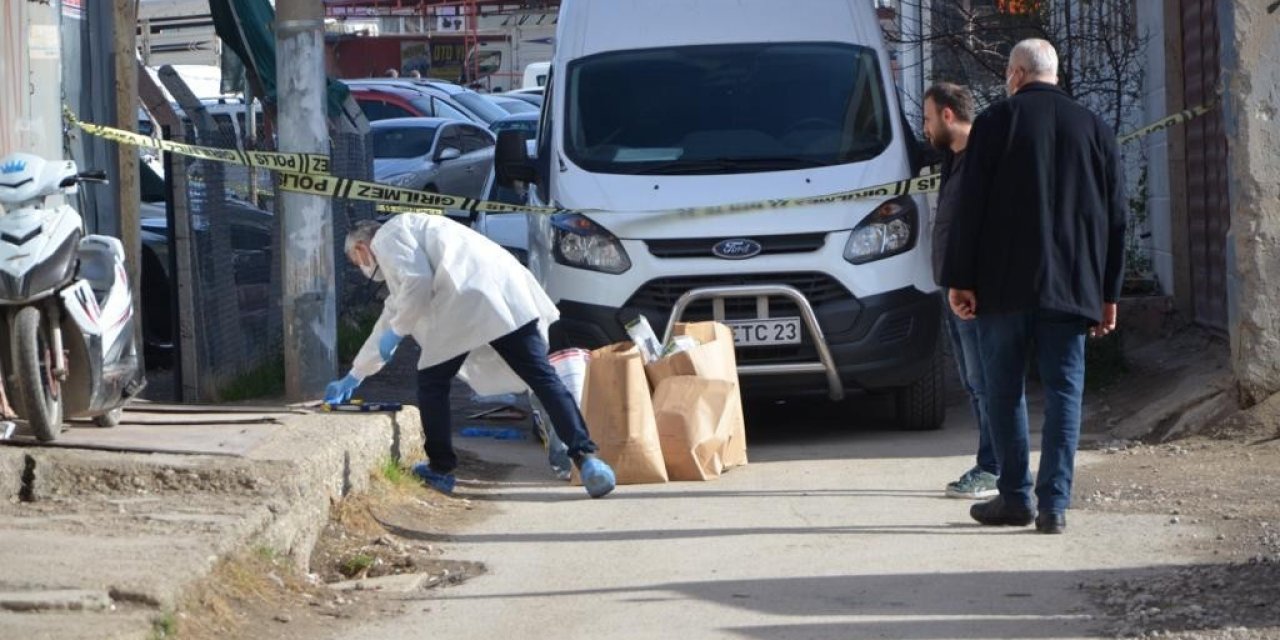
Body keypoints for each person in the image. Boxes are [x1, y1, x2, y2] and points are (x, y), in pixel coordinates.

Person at [940, 39, 1126, 534]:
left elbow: (969, 206)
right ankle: (1054, 507)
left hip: (1002, 287)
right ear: (1055, 74)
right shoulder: (1095, 127)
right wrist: (1109, 292)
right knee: (1066, 392)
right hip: (1071, 287)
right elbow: (1117, 219)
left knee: (1004, 390)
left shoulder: (996, 124)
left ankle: (1016, 498)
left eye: (1008, 73)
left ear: (1017, 73)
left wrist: (960, 280)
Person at [325, 218, 618, 499]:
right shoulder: (419, 228)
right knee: (543, 378)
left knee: (432, 383)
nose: (362, 267)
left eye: (356, 260)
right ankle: (587, 458)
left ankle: (440, 469)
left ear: (362, 248)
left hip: (465, 301)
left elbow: (417, 284)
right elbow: (394, 310)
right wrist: (357, 373)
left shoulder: (388, 237)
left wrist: (397, 332)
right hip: (506, 293)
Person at [922, 82, 1004, 500]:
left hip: (972, 292)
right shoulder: (951, 160)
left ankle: (995, 467)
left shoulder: (981, 159)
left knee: (987, 381)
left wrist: (968, 281)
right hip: (952, 286)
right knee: (975, 382)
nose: (926, 126)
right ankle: (990, 462)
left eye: (928, 117)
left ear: (948, 115)